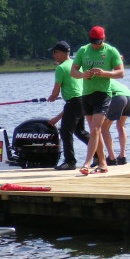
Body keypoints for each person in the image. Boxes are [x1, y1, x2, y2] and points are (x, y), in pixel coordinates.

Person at [70, 26, 124, 175]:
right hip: (87, 95)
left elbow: (121, 72)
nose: (95, 44)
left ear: (103, 38)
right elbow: (73, 72)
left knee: (94, 129)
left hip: (103, 94)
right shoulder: (83, 50)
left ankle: (87, 163)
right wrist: (83, 75)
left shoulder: (110, 51)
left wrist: (104, 73)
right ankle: (103, 164)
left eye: (98, 42)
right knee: (96, 131)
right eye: (93, 41)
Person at [46, 41, 90, 170]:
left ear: (61, 53)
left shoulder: (61, 68)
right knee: (80, 131)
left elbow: (55, 91)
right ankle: (99, 155)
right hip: (83, 101)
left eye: (55, 52)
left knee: (66, 131)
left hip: (74, 102)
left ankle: (70, 162)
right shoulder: (77, 65)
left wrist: (52, 98)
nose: (53, 55)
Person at [101, 80, 130, 165]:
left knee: (104, 128)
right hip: (129, 96)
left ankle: (111, 158)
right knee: (121, 126)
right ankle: (122, 156)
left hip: (118, 97)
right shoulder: (111, 79)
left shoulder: (95, 82)